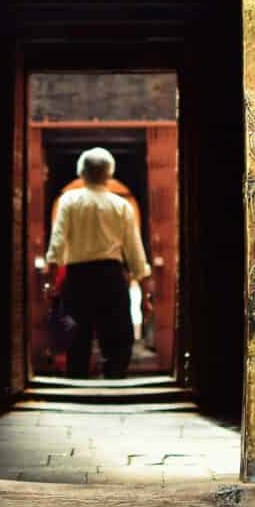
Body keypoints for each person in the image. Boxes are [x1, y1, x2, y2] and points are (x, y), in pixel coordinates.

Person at [46, 147, 152, 378]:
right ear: (109, 173)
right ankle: (114, 377)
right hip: (111, 275)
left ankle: (77, 379)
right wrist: (144, 289)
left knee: (77, 333)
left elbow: (57, 243)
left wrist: (51, 280)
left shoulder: (69, 201)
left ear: (81, 172)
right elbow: (134, 250)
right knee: (116, 333)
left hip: (78, 275)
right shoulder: (121, 205)